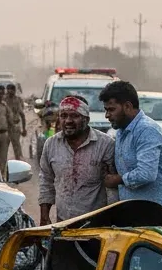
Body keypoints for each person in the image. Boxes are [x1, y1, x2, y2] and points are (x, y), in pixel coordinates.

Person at [99, 81, 162, 221]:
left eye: (111, 110)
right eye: (106, 110)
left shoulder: (147, 130)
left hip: (159, 215)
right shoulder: (121, 131)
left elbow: (146, 173)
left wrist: (116, 180)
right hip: (136, 214)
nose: (107, 115)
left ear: (127, 106)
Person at [38, 96, 116, 224]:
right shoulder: (51, 144)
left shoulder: (105, 145)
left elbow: (113, 189)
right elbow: (46, 180)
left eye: (74, 116)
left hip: (97, 225)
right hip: (63, 223)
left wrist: (114, 223)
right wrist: (44, 216)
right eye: (63, 116)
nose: (68, 121)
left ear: (86, 119)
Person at [4, 84, 27, 161]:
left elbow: (22, 115)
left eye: (12, 90)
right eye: (9, 90)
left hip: (15, 125)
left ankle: (19, 163)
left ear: (14, 91)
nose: (10, 92)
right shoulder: (3, 100)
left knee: (16, 147)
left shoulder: (18, 100)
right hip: (5, 126)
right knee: (4, 148)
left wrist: (24, 129)